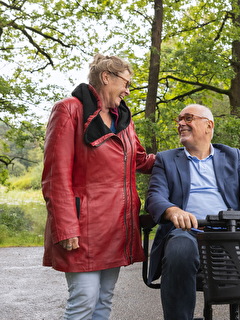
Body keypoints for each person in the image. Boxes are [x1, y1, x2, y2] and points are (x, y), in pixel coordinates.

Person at [41, 53, 155, 320]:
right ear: (107, 77)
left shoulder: (124, 120)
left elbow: (140, 160)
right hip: (83, 228)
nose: (128, 90)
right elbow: (55, 177)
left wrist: (183, 159)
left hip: (117, 226)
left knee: (104, 300)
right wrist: (66, 227)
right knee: (83, 301)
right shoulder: (69, 109)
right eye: (126, 83)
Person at [145, 103, 240, 320]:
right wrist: (173, 210)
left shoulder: (231, 156)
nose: (181, 123)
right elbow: (155, 196)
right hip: (189, 232)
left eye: (188, 118)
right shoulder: (167, 159)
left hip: (229, 234)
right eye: (179, 119)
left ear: (208, 125)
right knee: (180, 248)